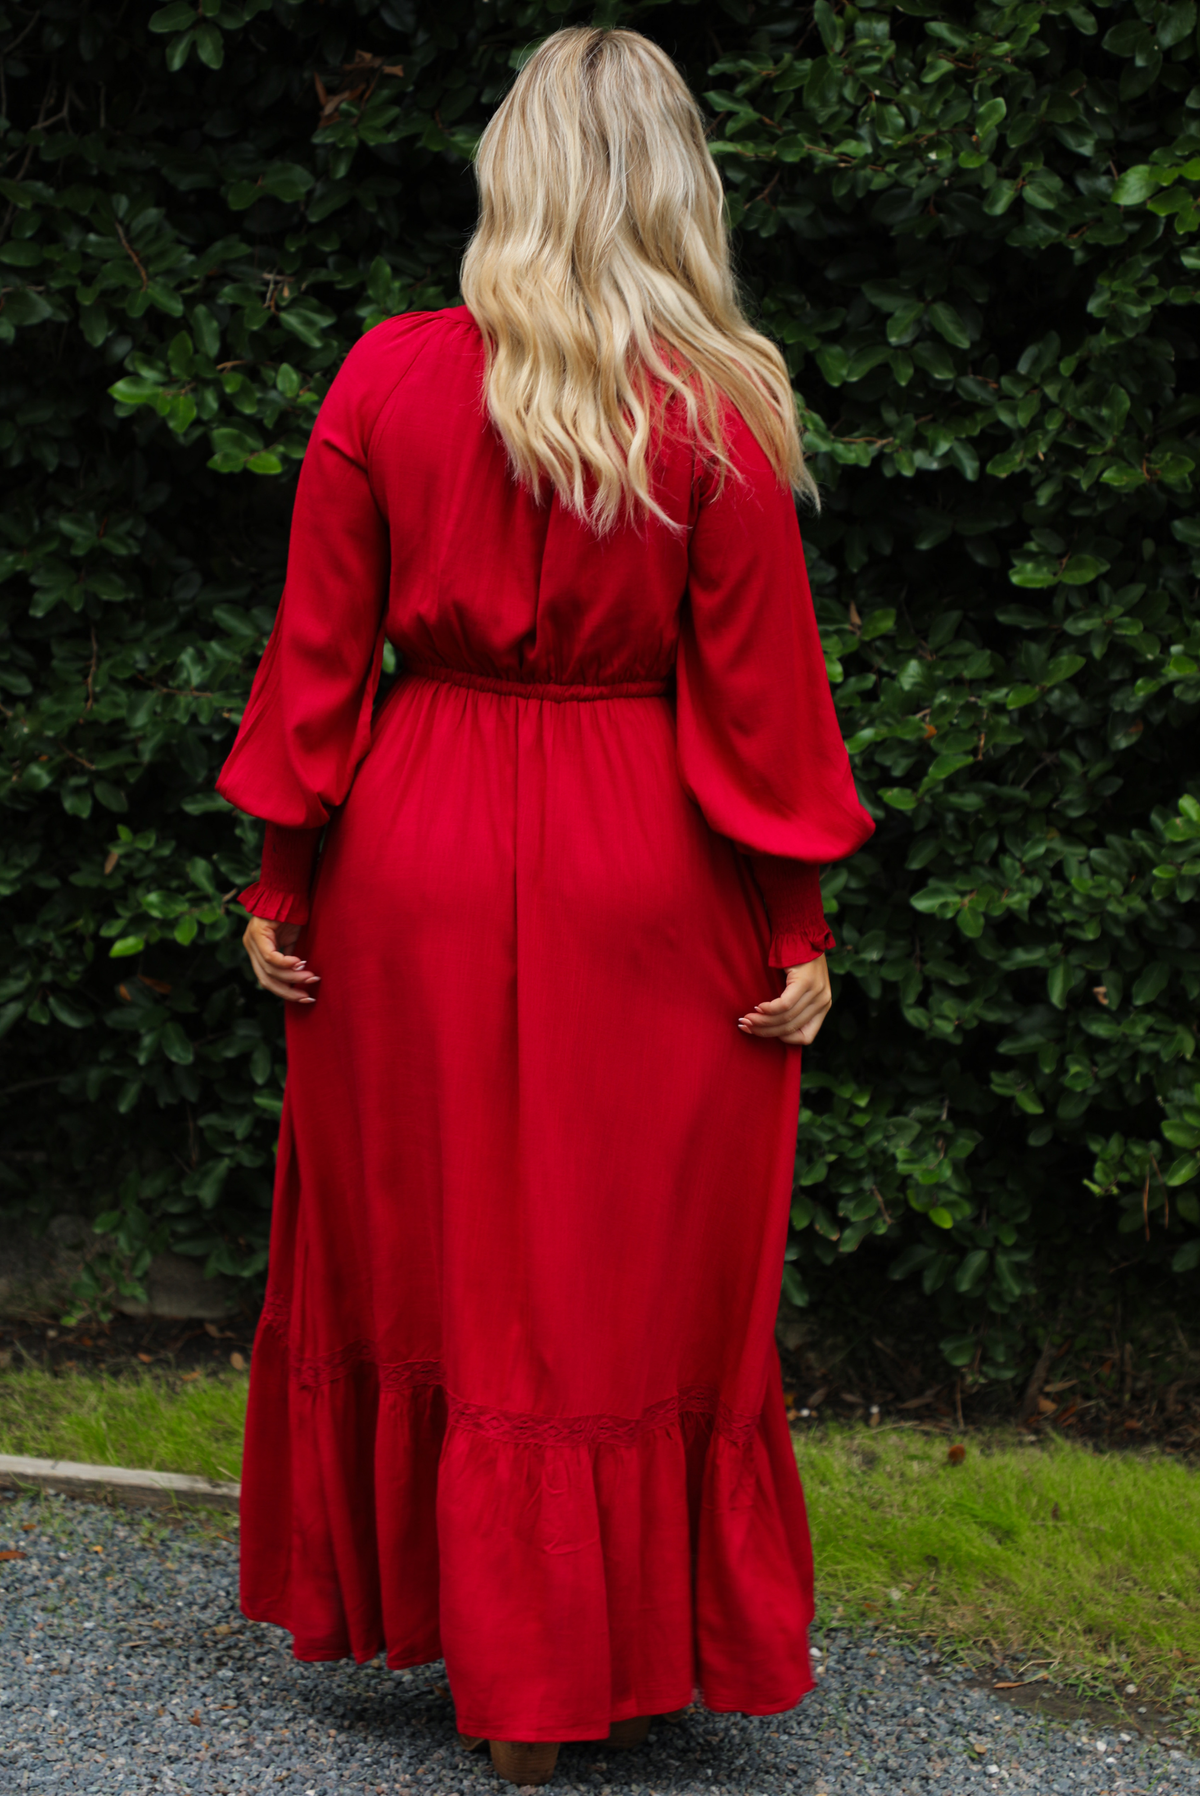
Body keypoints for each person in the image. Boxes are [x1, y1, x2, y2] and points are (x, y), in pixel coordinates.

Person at [216, 23, 873, 1788]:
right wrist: (795, 926)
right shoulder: (717, 407)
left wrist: (283, 880)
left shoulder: (387, 378)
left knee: (435, 1251)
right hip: (643, 861)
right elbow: (764, 707)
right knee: (611, 1270)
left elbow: (316, 663)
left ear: (506, 169)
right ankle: (586, 1655)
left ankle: (490, 1655)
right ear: (677, 186)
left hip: (409, 856)